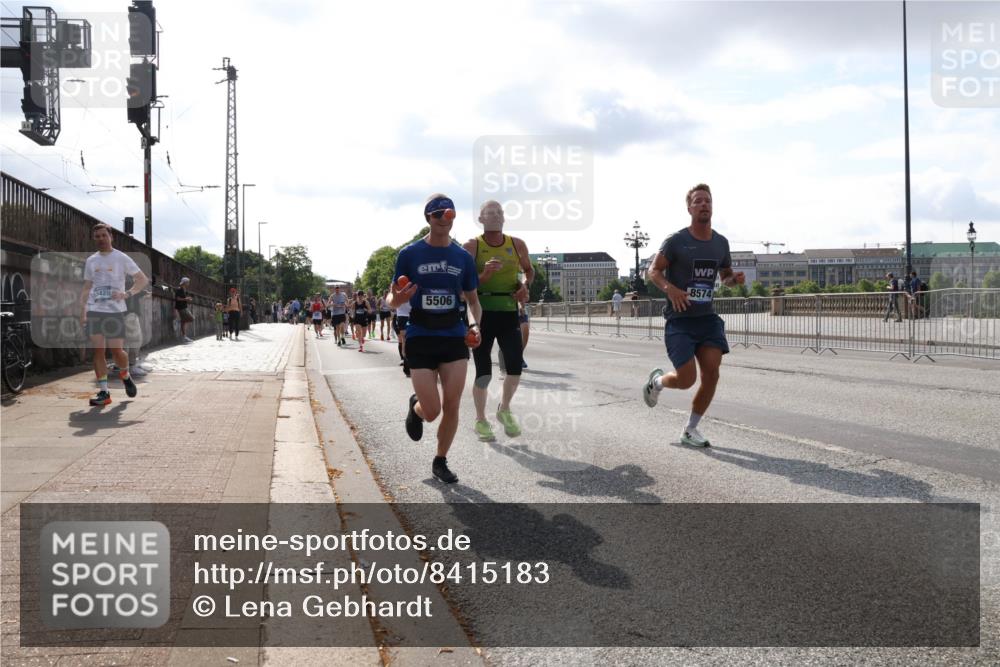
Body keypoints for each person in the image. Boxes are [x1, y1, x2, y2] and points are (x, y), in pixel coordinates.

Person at [641, 183, 744, 448]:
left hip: (707, 319)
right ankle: (657, 382)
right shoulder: (677, 241)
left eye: (707, 200)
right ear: (689, 208)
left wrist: (734, 279)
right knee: (687, 379)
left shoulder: (721, 243)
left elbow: (726, 277)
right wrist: (670, 289)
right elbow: (653, 271)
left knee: (712, 373)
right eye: (698, 201)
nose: (703, 205)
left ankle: (690, 429)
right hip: (680, 319)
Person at [389, 193, 481, 484]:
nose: (446, 219)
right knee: (432, 412)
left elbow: (474, 300)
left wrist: (476, 325)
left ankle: (440, 460)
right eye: (440, 214)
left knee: (452, 404)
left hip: (454, 335)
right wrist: (398, 298)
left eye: (451, 214)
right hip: (420, 335)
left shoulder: (463, 258)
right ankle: (416, 407)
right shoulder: (409, 254)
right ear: (429, 217)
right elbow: (392, 299)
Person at [462, 200, 533, 442]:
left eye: (500, 212)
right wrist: (485, 275)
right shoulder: (472, 246)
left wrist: (523, 286)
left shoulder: (517, 244)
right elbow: (464, 286)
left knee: (514, 368)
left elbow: (529, 271)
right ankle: (481, 419)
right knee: (484, 372)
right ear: (480, 219)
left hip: (508, 311)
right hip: (481, 312)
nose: (496, 216)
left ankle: (504, 409)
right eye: (490, 213)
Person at [79, 223, 148, 406]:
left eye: (104, 235)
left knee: (117, 351)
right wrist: (82, 311)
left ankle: (125, 373)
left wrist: (127, 294)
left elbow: (142, 279)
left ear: (111, 237)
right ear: (94, 239)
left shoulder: (121, 258)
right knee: (98, 351)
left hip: (115, 311)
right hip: (95, 310)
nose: (101, 239)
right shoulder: (91, 261)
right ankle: (104, 392)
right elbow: (86, 287)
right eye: (97, 236)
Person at [394, 293, 411, 376]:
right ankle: (407, 366)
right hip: (403, 316)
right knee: (405, 340)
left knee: (409, 340)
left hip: (413, 314)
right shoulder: (396, 286)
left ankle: (409, 363)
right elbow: (392, 303)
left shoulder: (415, 284)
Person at [174, 276, 194, 342]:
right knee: (191, 318)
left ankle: (184, 336)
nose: (188, 283)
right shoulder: (179, 289)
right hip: (181, 308)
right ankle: (184, 336)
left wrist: (187, 299)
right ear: (184, 283)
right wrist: (186, 299)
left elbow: (182, 298)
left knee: (185, 321)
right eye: (188, 282)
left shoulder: (183, 290)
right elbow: (177, 298)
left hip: (184, 307)